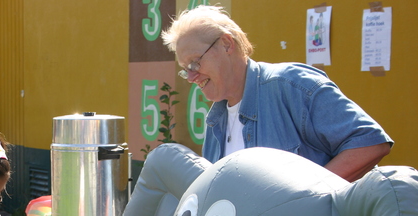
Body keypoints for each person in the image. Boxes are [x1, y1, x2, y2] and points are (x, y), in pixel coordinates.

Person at [161, 5, 393, 182]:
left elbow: (370, 143)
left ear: (227, 44)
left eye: (195, 63)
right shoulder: (215, 122)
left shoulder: (291, 85)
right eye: (185, 70)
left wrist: (307, 197)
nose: (191, 77)